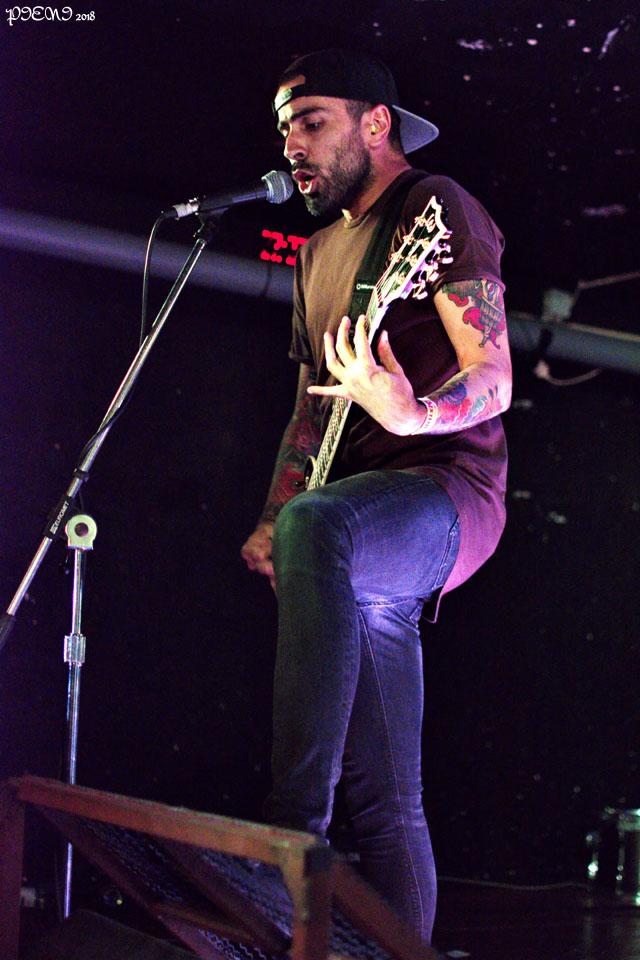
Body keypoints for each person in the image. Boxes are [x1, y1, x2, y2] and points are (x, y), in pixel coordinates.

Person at [241, 48, 511, 945]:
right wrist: (273, 516)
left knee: (323, 523)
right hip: (353, 516)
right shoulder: (317, 253)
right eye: (284, 129)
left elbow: (495, 377)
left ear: (376, 123)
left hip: (446, 492)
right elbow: (308, 409)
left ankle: (290, 830)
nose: (292, 145)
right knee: (389, 798)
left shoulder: (436, 208)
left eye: (311, 122)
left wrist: (411, 410)